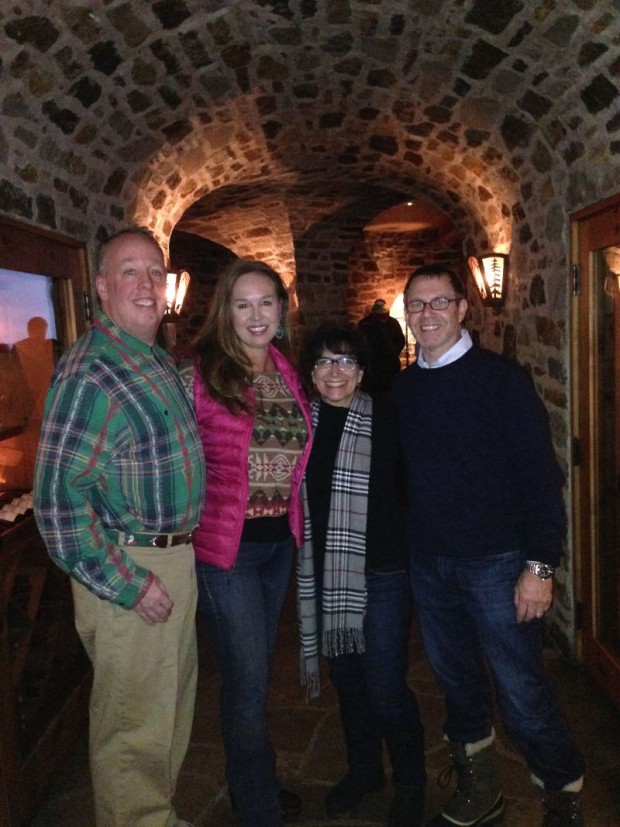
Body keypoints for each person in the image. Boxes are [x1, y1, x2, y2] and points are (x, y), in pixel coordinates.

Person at [392, 264, 585, 827]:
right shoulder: (405, 386)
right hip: (430, 564)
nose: (426, 314)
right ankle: (482, 788)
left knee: (522, 692)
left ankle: (563, 792)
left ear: (461, 309)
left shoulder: (502, 381)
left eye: (437, 303)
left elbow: (541, 477)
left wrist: (540, 565)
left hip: (498, 565)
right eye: (416, 305)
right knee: (458, 686)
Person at [33, 228, 206, 827]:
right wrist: (131, 583)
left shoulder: (153, 359)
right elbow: (58, 505)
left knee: (167, 712)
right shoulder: (92, 372)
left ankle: (156, 817)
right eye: (129, 272)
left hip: (171, 560)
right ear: (101, 288)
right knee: (134, 728)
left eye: (155, 271)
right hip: (133, 567)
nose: (146, 283)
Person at [185, 259, 313, 827]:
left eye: (266, 303)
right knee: (247, 679)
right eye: (243, 304)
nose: (256, 315)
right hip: (226, 553)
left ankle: (251, 781)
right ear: (225, 312)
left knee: (256, 672)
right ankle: (258, 808)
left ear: (281, 311)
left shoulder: (287, 370)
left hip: (276, 546)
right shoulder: (201, 373)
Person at [298, 325, 426, 827]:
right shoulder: (300, 425)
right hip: (329, 574)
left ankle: (411, 785)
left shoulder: (388, 418)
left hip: (385, 571)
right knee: (348, 681)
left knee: (386, 686)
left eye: (347, 362)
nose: (336, 372)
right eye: (326, 362)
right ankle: (366, 770)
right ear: (311, 370)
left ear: (362, 371)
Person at [357, 297, 405, 396]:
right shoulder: (365, 325)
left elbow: (400, 340)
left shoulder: (392, 323)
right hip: (373, 367)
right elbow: (360, 344)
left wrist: (393, 353)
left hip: (390, 366)